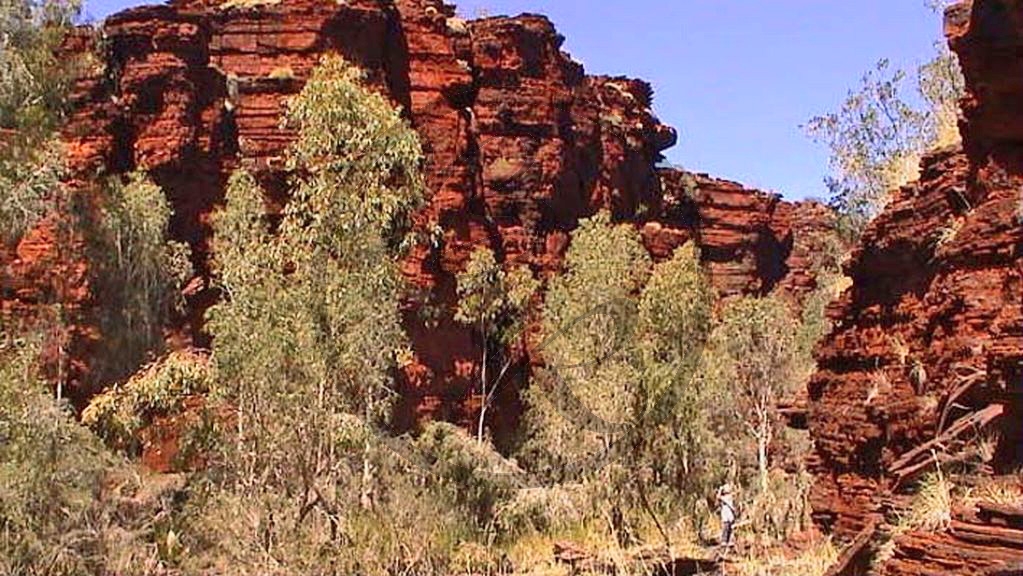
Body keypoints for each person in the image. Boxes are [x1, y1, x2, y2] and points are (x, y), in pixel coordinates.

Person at [717, 482, 736, 550]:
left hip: (728, 515)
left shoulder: (728, 497)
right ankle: (726, 541)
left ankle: (726, 541)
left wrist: (720, 490)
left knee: (728, 528)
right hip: (727, 515)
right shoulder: (728, 497)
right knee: (727, 528)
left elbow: (718, 497)